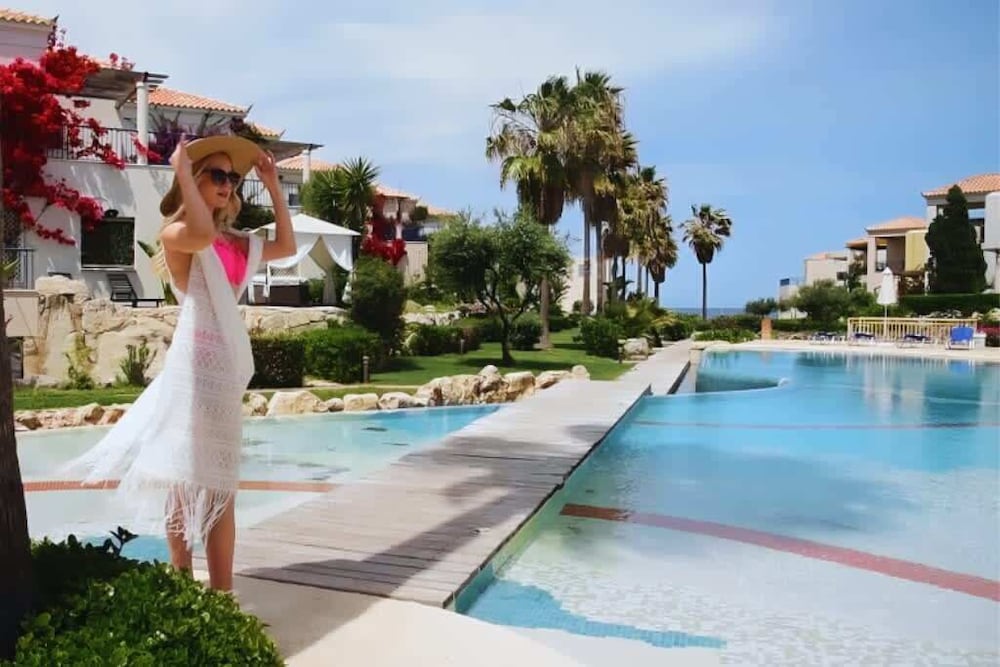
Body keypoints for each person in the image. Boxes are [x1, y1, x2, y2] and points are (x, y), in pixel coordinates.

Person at [62, 134, 296, 591]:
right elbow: (202, 234)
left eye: (232, 178)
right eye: (217, 175)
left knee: (222, 485)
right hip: (192, 368)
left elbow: (286, 246)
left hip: (225, 370)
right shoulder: (176, 236)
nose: (227, 184)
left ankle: (221, 595)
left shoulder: (238, 243)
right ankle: (182, 581)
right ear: (195, 178)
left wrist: (272, 186)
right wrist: (183, 174)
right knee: (183, 478)